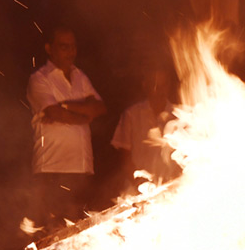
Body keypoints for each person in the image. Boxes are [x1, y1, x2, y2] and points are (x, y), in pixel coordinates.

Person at [27, 27, 106, 228]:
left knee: (82, 232)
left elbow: (100, 107)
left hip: (81, 168)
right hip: (52, 167)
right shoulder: (39, 78)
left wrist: (66, 106)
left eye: (73, 47)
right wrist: (83, 114)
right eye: (64, 47)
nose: (70, 52)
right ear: (49, 48)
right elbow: (53, 113)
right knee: (52, 232)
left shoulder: (80, 76)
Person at [111, 65, 180, 194]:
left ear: (169, 86)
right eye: (155, 86)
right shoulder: (132, 114)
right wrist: (139, 182)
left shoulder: (179, 115)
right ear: (145, 85)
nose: (159, 91)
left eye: (163, 86)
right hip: (137, 190)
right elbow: (125, 158)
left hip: (172, 190)